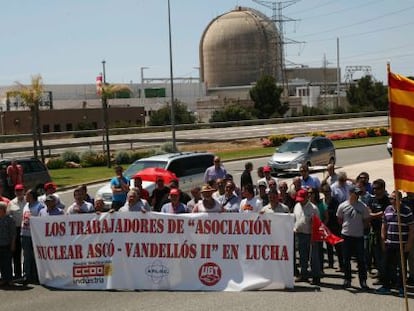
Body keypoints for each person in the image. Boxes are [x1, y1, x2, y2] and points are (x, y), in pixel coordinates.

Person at [376, 191, 414, 296]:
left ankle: (402, 288)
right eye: (390, 198)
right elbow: (384, 226)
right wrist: (383, 239)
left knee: (401, 267)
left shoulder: (407, 211)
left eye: (393, 198)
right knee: (387, 266)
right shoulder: (387, 210)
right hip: (390, 243)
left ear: (399, 199)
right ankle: (386, 286)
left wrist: (409, 243)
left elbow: (411, 229)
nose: (391, 200)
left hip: (402, 244)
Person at [336, 185, 370, 290]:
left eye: (359, 194)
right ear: (350, 194)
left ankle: (363, 281)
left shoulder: (363, 206)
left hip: (358, 236)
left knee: (361, 260)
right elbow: (340, 219)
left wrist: (359, 229)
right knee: (346, 259)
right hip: (346, 236)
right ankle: (347, 279)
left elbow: (366, 221)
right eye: (356, 193)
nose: (358, 196)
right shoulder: (343, 206)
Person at [293, 188, 320, 285]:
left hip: (311, 235)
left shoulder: (313, 208)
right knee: (302, 256)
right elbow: (295, 218)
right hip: (299, 234)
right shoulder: (297, 206)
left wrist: (314, 237)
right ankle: (304, 275)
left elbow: (317, 224)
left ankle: (316, 276)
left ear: (307, 198)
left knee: (313, 257)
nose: (300, 201)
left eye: (301, 199)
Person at [366, 178, 390, 284]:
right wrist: (377, 215)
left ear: (383, 189)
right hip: (374, 231)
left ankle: (385, 277)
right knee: (377, 255)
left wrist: (374, 215)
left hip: (385, 232)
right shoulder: (371, 200)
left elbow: (386, 214)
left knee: (385, 255)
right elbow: (368, 214)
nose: (375, 191)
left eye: (377, 188)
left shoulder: (387, 201)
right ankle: (381, 273)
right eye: (373, 188)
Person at [21, 189, 44, 284]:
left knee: (35, 256)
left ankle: (36, 275)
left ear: (33, 196)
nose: (25, 197)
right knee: (26, 256)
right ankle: (27, 275)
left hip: (35, 235)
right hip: (25, 234)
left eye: (27, 195)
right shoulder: (26, 205)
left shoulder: (40, 206)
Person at [320, 183, 342, 271]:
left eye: (328, 191)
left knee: (338, 247)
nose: (326, 193)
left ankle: (342, 265)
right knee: (328, 246)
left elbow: (337, 213)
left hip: (335, 226)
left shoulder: (335, 201)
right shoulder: (322, 201)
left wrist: (328, 213)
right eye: (324, 191)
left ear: (330, 191)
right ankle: (330, 263)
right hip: (326, 226)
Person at [6, 184, 25, 280]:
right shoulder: (11, 203)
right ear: (15, 192)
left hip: (27, 229)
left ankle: (28, 273)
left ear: (23, 191)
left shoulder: (29, 201)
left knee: (28, 252)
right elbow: (8, 217)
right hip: (16, 229)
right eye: (17, 191)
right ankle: (18, 274)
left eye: (21, 190)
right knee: (16, 253)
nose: (19, 192)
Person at [0, 201, 16, 287]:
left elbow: (13, 233)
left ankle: (9, 279)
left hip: (6, 244)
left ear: (3, 209)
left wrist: (13, 244)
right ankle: (3, 278)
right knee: (1, 264)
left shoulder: (9, 219)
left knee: (7, 263)